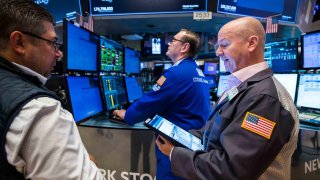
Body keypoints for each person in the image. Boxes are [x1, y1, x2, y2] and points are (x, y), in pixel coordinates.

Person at [156, 16, 299, 179]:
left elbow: (233, 170)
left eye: (224, 44)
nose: (218, 52)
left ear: (252, 43)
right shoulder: (240, 86)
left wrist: (175, 153)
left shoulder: (265, 99)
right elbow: (214, 130)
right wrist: (181, 136)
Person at [0, 1, 103, 179]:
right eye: (53, 43)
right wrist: (88, 163)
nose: (58, 53)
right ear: (19, 42)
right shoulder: (40, 109)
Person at [113, 29, 211, 179]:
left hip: (175, 143)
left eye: (173, 41)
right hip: (191, 142)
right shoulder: (196, 71)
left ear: (184, 47)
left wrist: (127, 114)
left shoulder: (176, 73)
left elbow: (150, 102)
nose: (169, 43)